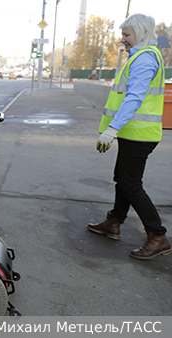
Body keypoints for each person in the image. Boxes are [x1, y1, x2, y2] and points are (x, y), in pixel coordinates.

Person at [88, 13, 170, 260]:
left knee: (131, 184)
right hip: (134, 133)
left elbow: (134, 98)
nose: (122, 39)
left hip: (139, 135)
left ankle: (158, 236)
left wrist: (112, 129)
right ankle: (114, 222)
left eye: (127, 35)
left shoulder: (144, 59)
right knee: (122, 179)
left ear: (142, 34)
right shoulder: (141, 56)